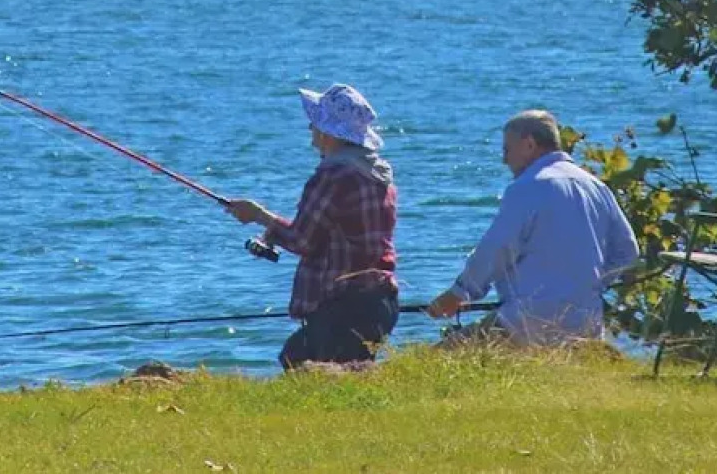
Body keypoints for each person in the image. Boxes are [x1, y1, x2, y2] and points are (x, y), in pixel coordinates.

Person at [426, 109, 639, 345]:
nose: (504, 159)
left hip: (527, 321)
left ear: (529, 145)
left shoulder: (528, 186)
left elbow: (497, 248)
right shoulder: (595, 186)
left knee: (434, 364)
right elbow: (627, 251)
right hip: (586, 324)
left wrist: (460, 292)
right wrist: (590, 286)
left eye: (507, 150)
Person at [227, 83, 400, 369]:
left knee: (299, 363)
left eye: (314, 123)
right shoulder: (379, 176)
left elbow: (302, 240)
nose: (310, 129)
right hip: (380, 303)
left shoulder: (332, 176)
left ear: (328, 133)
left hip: (343, 307)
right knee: (312, 362)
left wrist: (258, 214)